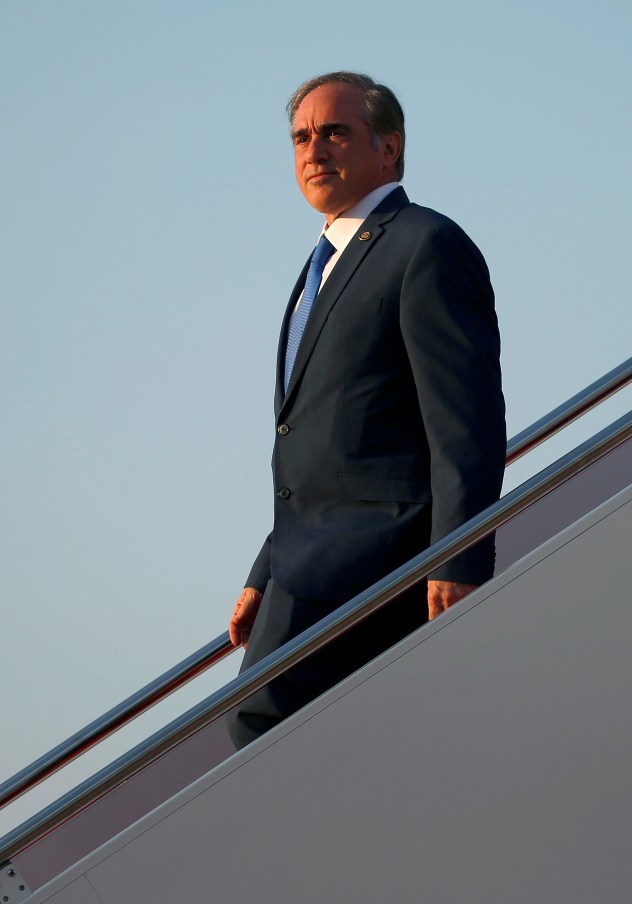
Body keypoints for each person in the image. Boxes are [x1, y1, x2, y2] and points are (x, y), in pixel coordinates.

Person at [225, 72, 505, 749]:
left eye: (335, 133)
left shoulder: (424, 245)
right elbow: (321, 438)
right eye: (301, 138)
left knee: (259, 725)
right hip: (305, 563)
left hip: (382, 554)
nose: (314, 150)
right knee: (330, 743)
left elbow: (463, 418)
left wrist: (459, 555)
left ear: (389, 147)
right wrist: (266, 570)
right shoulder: (319, 267)